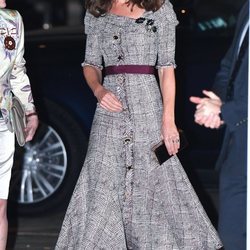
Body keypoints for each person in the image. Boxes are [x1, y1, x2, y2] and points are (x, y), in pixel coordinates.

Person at [56, 0, 222, 248]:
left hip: (148, 107)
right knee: (101, 179)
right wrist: (99, 91)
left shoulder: (159, 8)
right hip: (109, 112)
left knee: (157, 181)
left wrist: (168, 121)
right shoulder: (97, 10)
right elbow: (91, 63)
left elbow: (166, 69)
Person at [190, 1, 248, 249]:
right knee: (232, 236)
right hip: (239, 147)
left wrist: (226, 110)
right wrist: (217, 101)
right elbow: (230, 66)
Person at [0, 1, 38, 249]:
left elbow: (16, 71)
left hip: (2, 121)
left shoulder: (11, 21)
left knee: (0, 204)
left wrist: (30, 110)